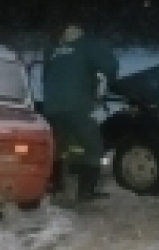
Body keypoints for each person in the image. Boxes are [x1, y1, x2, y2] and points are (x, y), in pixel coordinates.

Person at [42, 23, 118, 202]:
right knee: (93, 148)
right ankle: (86, 192)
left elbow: (45, 76)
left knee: (57, 146)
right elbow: (111, 66)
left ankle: (54, 185)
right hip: (78, 106)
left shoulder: (54, 50)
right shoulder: (88, 45)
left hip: (51, 107)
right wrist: (104, 85)